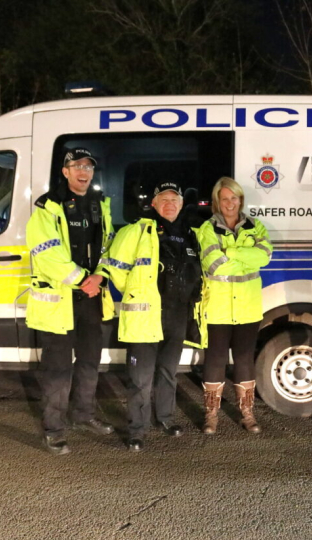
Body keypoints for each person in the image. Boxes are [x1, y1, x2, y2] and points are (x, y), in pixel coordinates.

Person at [25, 147, 116, 455]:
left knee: (90, 362)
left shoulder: (100, 205)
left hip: (91, 298)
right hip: (60, 302)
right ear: (65, 171)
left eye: (88, 167)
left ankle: (84, 414)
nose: (83, 171)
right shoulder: (48, 208)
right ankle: (53, 429)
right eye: (77, 165)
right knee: (58, 369)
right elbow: (48, 254)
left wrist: (100, 276)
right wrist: (83, 280)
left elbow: (108, 246)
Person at [103, 181, 204, 452]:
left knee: (168, 372)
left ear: (181, 204)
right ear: (155, 204)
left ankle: (166, 419)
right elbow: (116, 268)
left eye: (175, 199)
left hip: (177, 315)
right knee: (141, 376)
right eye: (164, 199)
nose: (170, 203)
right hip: (145, 315)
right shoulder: (135, 230)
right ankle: (137, 429)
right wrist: (137, 293)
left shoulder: (191, 235)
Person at [197, 177, 272, 435]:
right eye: (225, 198)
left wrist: (231, 252)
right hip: (217, 308)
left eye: (234, 198)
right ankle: (211, 415)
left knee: (243, 361)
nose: (230, 203)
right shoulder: (207, 228)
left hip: (248, 308)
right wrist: (244, 254)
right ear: (217, 201)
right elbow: (212, 264)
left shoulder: (256, 226)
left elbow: (264, 257)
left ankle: (247, 414)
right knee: (215, 361)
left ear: (241, 199)